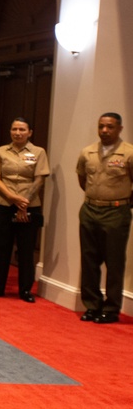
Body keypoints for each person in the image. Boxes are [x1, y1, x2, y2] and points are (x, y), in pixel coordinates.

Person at [76, 112, 133, 323]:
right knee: (89, 260)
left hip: (116, 212)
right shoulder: (87, 152)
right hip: (90, 210)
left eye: (109, 127)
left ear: (119, 129)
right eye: (101, 126)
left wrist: (120, 201)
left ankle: (111, 309)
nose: (104, 131)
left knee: (114, 262)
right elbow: (82, 179)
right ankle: (92, 305)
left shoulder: (129, 153)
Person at [0, 117, 49, 303]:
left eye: (22, 129)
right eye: (14, 129)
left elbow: (39, 179)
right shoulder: (1, 151)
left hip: (30, 206)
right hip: (3, 204)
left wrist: (24, 202)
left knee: (26, 249)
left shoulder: (38, 152)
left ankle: (25, 290)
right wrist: (13, 198)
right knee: (3, 247)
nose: (18, 133)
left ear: (29, 132)